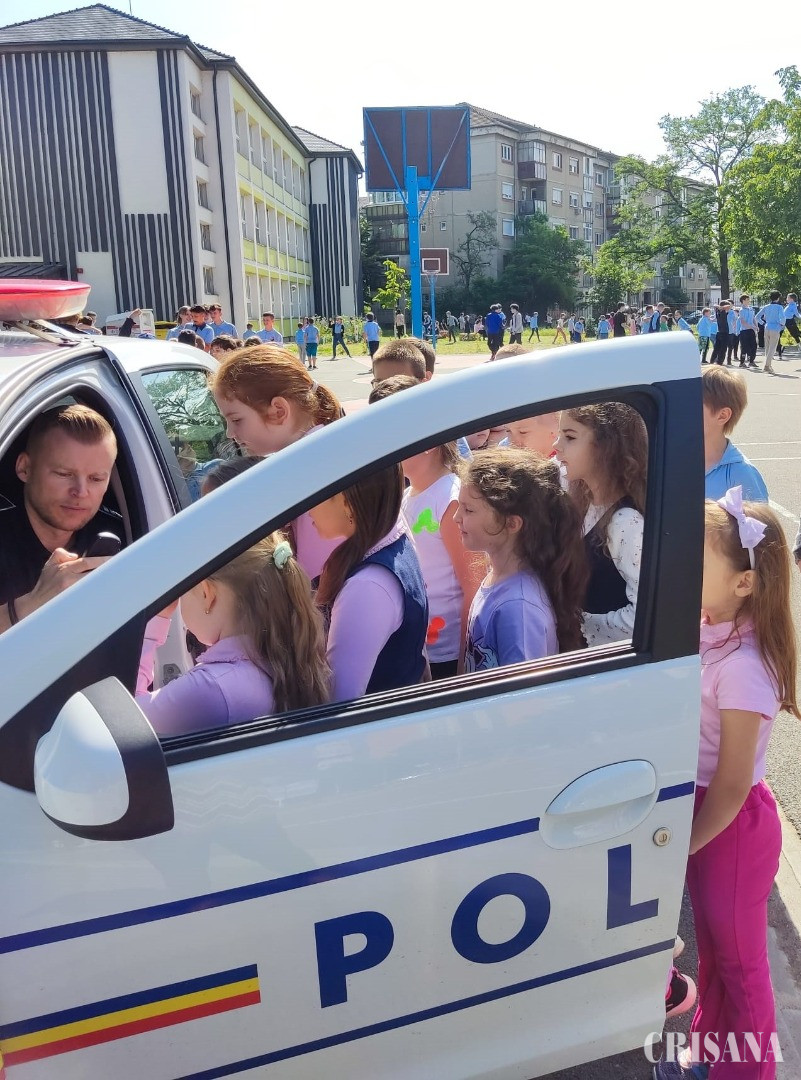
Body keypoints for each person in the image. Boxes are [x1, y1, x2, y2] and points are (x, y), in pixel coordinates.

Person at [652, 492, 798, 1080]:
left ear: (744, 583)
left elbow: (734, 784)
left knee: (741, 965)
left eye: (699, 559)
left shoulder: (744, 667)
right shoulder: (713, 631)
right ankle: (710, 1055)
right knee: (715, 951)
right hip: (708, 813)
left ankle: (750, 1072)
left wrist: (684, 846)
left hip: (731, 826)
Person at [136, 533, 330, 733]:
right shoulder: (280, 662)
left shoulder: (210, 689)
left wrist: (152, 627)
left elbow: (123, 727)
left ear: (206, 593)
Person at [211, 346, 342, 579]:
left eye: (236, 420)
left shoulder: (316, 476)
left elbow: (314, 578)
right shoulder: (320, 456)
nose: (230, 433)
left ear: (279, 411)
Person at [455, 449, 587, 671]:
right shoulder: (498, 577)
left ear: (512, 524)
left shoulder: (519, 608)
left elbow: (522, 691)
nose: (456, 517)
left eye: (468, 510)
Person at [309, 464, 428, 701]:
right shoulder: (393, 537)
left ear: (346, 502)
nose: (308, 507)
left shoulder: (367, 587)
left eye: (316, 493)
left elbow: (338, 700)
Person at [0, 404, 120, 635]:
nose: (81, 492)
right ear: (25, 468)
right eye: (64, 474)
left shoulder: (128, 533)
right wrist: (30, 604)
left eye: (96, 479)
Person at [555, 402, 647, 646]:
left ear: (606, 446)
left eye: (569, 437)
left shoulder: (625, 523)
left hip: (605, 661)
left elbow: (644, 616)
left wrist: (580, 623)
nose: (556, 445)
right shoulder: (584, 501)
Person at [401, 440, 482, 679]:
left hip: (449, 654)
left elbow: (473, 584)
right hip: (421, 649)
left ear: (428, 445)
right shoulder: (406, 496)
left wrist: (464, 660)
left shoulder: (450, 498)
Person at [702, 366, 768, 502]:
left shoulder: (742, 476)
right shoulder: (672, 458)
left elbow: (759, 516)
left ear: (723, 415)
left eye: (692, 406)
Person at [756, 291, 786, 375]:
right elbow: (783, 318)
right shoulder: (779, 307)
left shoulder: (766, 306)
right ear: (778, 298)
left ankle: (769, 365)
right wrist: (781, 325)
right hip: (775, 328)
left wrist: (763, 323)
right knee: (772, 348)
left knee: (767, 347)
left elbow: (757, 317)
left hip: (767, 327)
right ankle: (767, 365)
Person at [736, 294, 758, 369]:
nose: (749, 301)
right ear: (743, 301)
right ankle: (742, 362)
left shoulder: (751, 309)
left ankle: (751, 361)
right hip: (744, 331)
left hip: (751, 330)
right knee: (744, 347)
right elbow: (743, 322)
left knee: (754, 346)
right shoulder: (741, 310)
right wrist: (752, 327)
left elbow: (753, 318)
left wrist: (756, 326)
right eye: (747, 299)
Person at [710, 300, 732, 366]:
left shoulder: (717, 311)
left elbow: (715, 305)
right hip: (725, 333)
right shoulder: (724, 311)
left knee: (716, 349)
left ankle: (712, 361)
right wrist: (722, 307)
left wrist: (719, 307)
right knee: (723, 349)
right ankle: (719, 362)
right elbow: (729, 306)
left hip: (719, 332)